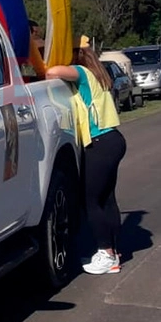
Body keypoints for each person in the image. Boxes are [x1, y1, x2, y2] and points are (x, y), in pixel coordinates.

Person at [46, 45, 127, 275]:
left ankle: (106, 253)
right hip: (113, 138)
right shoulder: (98, 75)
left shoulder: (82, 73)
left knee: (89, 200)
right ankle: (113, 252)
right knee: (107, 198)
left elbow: (52, 73)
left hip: (100, 142)